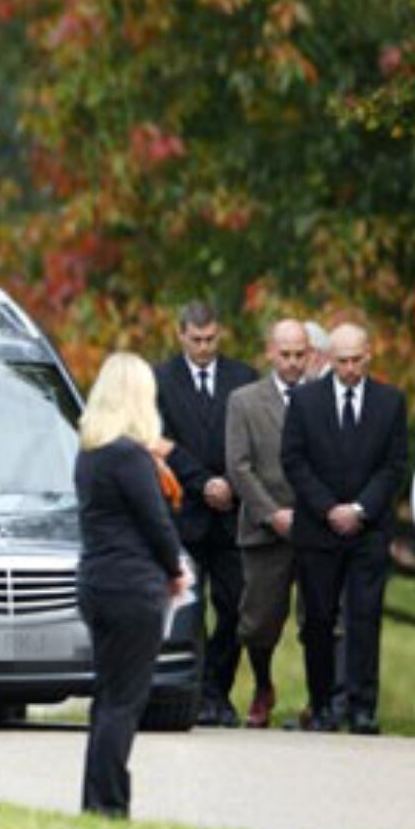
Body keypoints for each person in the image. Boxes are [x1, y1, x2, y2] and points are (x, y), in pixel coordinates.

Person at [73, 353, 190, 817]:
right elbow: (156, 523)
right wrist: (175, 569)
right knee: (125, 702)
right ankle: (110, 804)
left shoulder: (91, 453)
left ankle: (96, 798)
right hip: (132, 586)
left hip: (97, 582)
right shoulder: (129, 456)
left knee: (107, 698)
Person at [280, 323, 409, 735]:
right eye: (342, 361)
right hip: (318, 531)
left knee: (365, 617)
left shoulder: (390, 403)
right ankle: (321, 705)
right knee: (318, 620)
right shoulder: (305, 401)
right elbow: (294, 461)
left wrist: (360, 508)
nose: (350, 369)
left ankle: (362, 707)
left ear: (369, 355)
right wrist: (328, 508)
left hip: (368, 530)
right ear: (329, 359)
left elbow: (395, 466)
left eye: (357, 360)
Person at [153, 302, 257, 727]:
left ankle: (218, 688)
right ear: (180, 335)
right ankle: (195, 692)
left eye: (210, 339)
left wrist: (232, 483)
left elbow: (252, 440)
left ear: (221, 334)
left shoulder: (243, 378)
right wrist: (202, 483)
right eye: (196, 340)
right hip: (185, 511)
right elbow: (159, 441)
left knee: (235, 607)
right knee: (190, 608)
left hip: (232, 512)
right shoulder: (160, 380)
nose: (203, 347)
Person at [223, 320, 309, 728]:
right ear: (271, 353)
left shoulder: (321, 398)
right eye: (286, 354)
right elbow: (238, 467)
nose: (293, 363)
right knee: (257, 621)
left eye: (299, 354)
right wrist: (272, 513)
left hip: (314, 526)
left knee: (323, 619)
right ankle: (262, 683)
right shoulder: (244, 401)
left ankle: (321, 699)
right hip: (265, 525)